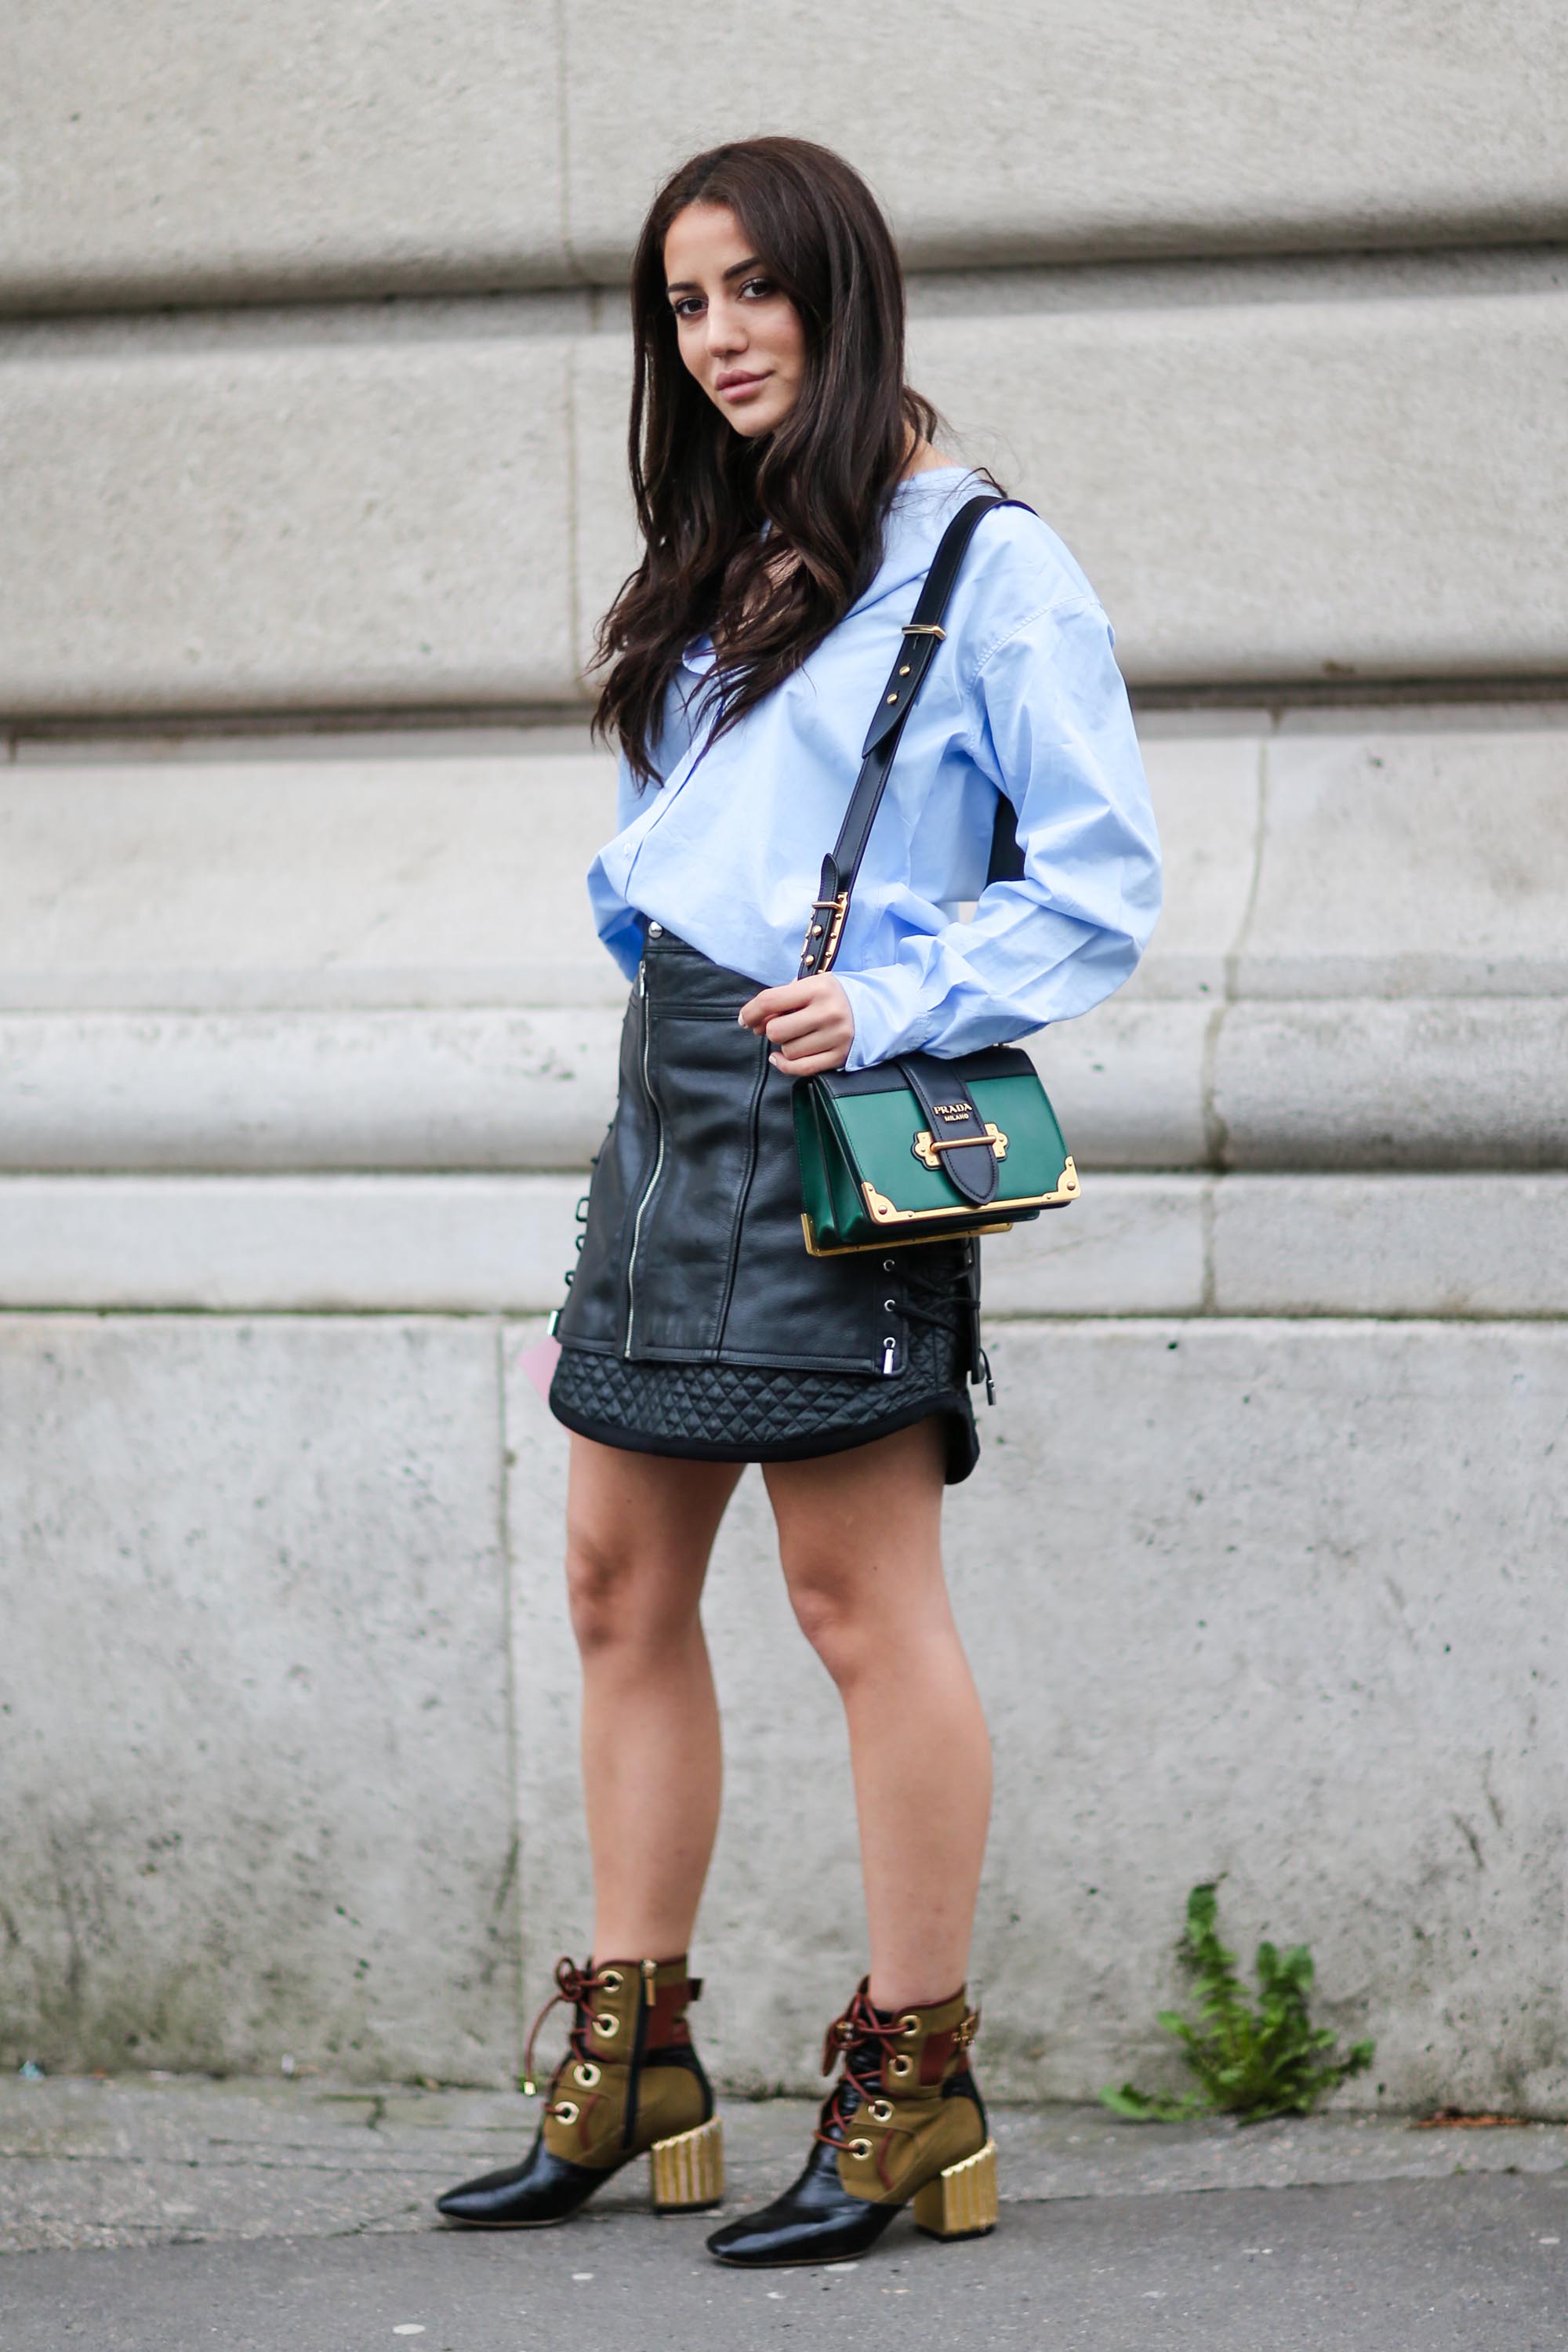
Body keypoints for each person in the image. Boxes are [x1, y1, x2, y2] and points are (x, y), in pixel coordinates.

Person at [437, 134, 1160, 2269]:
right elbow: (698, 820)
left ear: (846, 297)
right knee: (607, 1581)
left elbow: (1100, 884)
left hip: (835, 1125)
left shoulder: (988, 566)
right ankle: (635, 2052)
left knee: (859, 1608)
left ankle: (916, 2086)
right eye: (685, 302)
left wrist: (907, 987)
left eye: (759, 290)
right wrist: (650, 927)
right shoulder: (734, 547)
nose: (724, 335)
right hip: (670, 1103)